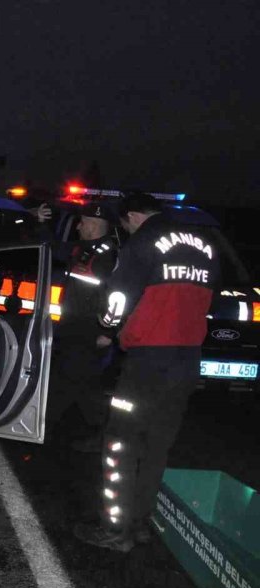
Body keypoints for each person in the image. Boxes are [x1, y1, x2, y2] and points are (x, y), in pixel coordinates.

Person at [74, 193, 220, 552]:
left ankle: (115, 528)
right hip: (186, 361)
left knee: (120, 443)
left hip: (147, 362)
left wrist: (107, 329)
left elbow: (118, 299)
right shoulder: (206, 246)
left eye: (124, 223)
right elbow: (207, 299)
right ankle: (140, 522)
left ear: (134, 216)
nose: (125, 229)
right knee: (158, 445)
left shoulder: (144, 241)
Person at [41, 202, 120, 449]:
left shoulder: (107, 255)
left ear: (95, 224)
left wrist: (107, 332)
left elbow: (115, 294)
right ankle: (45, 426)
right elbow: (54, 250)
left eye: (83, 222)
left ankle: (99, 435)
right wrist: (42, 224)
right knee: (73, 380)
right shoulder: (85, 248)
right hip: (73, 327)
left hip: (88, 329)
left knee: (79, 383)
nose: (78, 226)